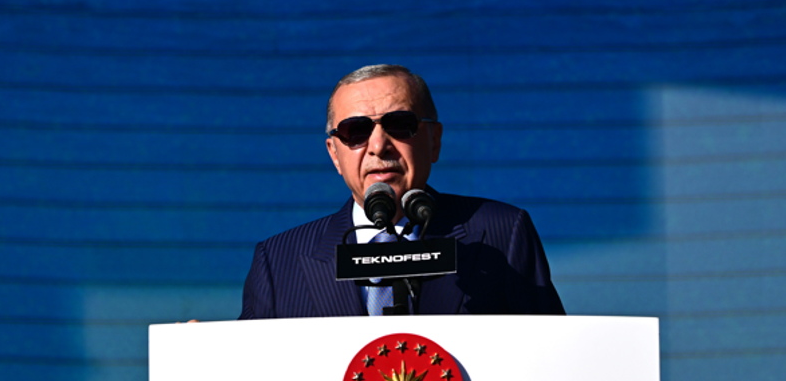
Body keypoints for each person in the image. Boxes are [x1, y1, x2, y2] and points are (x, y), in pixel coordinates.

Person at [238, 64, 565, 318]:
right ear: (334, 154)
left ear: (434, 141)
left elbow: (550, 357)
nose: (378, 145)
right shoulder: (278, 261)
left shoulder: (502, 232)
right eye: (356, 130)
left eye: (399, 125)